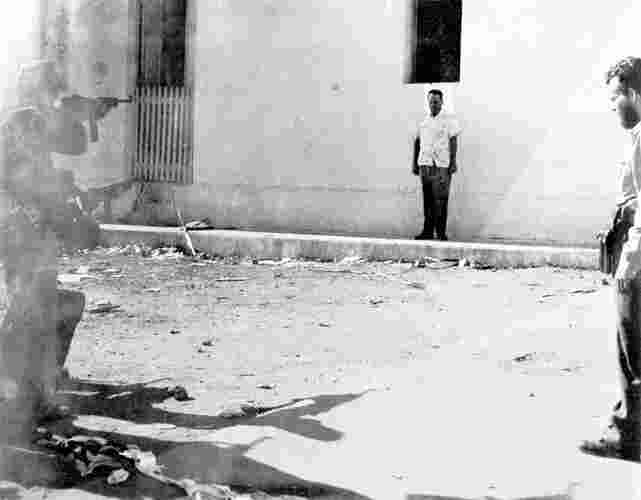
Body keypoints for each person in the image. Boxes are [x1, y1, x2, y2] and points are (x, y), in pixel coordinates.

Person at [0, 60, 118, 423]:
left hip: (32, 235)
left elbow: (66, 152)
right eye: (52, 89)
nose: (55, 96)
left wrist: (87, 115)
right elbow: (25, 180)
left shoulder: (32, 120)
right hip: (20, 235)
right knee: (30, 311)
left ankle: (36, 384)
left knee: (46, 306)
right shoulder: (23, 121)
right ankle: (20, 392)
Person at [581, 56, 641, 461]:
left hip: (638, 253)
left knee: (629, 342)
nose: (611, 106)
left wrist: (629, 261)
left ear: (633, 93)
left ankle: (627, 435)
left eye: (614, 97)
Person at [412, 89, 461, 241]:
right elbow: (417, 142)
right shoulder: (424, 122)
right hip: (425, 165)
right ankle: (427, 231)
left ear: (441, 102)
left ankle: (440, 233)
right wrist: (415, 163)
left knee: (441, 200)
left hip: (441, 166)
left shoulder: (449, 120)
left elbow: (453, 141)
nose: (433, 104)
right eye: (431, 102)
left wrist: (453, 162)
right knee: (427, 200)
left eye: (436, 102)